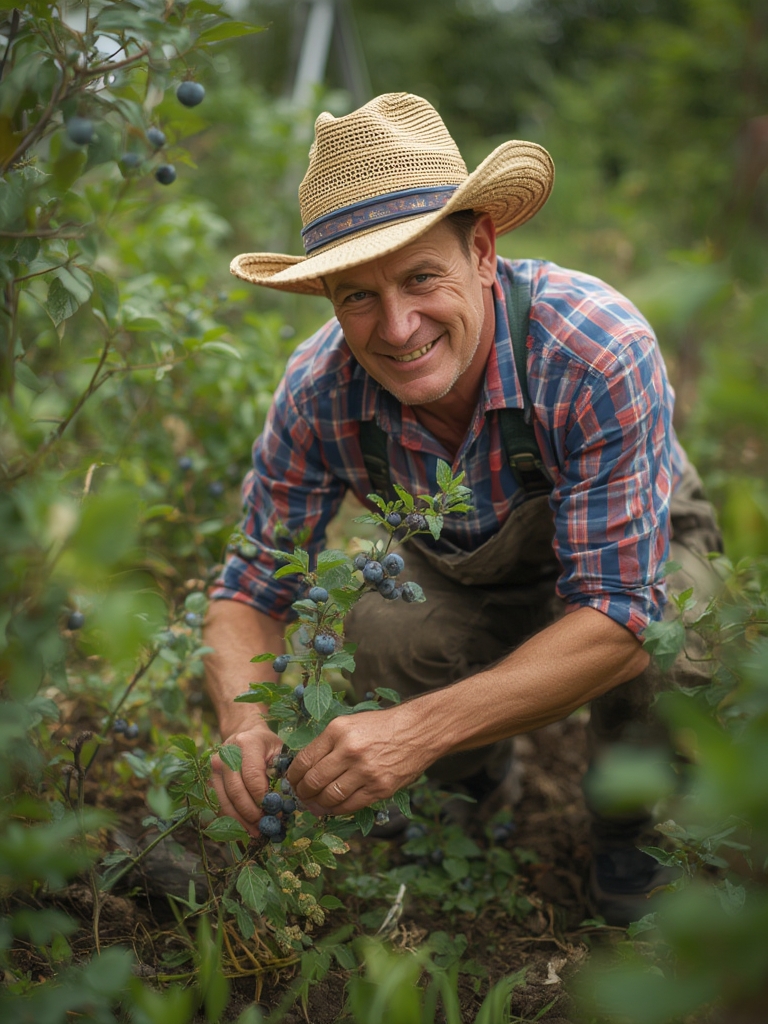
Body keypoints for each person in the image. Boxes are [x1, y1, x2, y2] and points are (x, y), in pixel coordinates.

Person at [203, 93, 721, 924]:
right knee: (379, 629)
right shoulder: (318, 391)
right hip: (464, 572)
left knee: (673, 633)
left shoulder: (592, 348)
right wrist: (244, 726)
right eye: (357, 296)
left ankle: (635, 822)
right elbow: (248, 592)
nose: (397, 327)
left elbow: (621, 615)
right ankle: (467, 788)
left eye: (420, 278)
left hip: (633, 554)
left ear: (481, 250)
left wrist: (414, 731)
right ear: (328, 298)